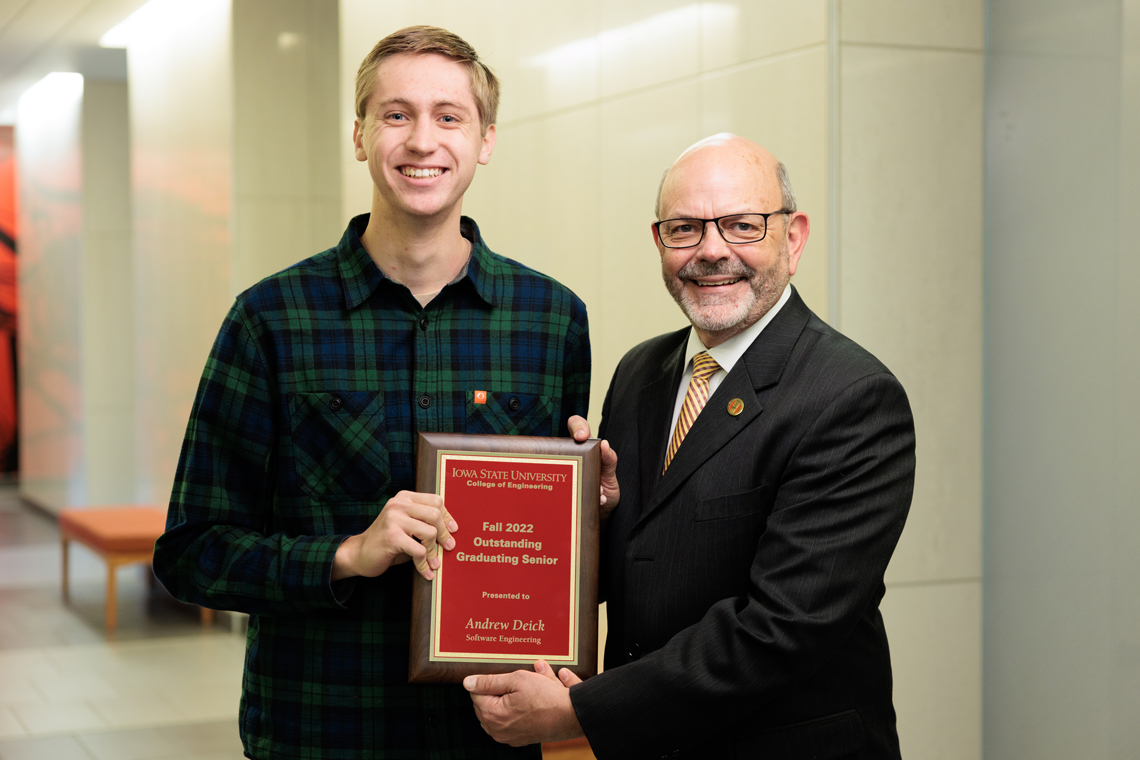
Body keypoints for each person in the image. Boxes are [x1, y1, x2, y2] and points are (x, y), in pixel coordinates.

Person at [153, 26, 590, 760]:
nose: (423, 140)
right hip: (319, 729)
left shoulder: (551, 319)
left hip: (482, 738)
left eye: (450, 116)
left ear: (485, 140)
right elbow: (192, 553)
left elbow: (552, 547)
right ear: (359, 135)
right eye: (396, 114)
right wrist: (348, 554)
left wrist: (591, 512)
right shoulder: (270, 319)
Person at [465, 133, 915, 760]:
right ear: (658, 242)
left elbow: (783, 628)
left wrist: (578, 712)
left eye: (741, 225)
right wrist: (589, 522)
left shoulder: (851, 397)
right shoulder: (640, 371)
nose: (711, 251)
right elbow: (657, 560)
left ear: (794, 237)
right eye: (684, 229)